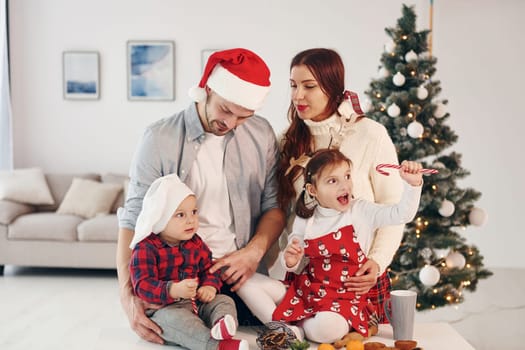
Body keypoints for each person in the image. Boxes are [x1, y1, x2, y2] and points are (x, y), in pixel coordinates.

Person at [117, 48, 286, 345]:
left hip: (242, 279)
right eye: (225, 110)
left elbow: (273, 208)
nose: (231, 123)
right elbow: (133, 219)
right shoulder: (159, 138)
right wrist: (128, 298)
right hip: (179, 285)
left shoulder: (261, 135)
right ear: (207, 89)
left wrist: (253, 252)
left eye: (243, 117)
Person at [239, 149, 424, 344]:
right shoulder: (306, 218)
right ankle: (287, 329)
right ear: (313, 190)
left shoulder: (361, 210)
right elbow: (294, 258)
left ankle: (293, 328)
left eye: (347, 176)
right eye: (333, 181)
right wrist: (291, 259)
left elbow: (401, 214)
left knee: (328, 330)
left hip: (343, 300)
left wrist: (413, 185)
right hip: (307, 291)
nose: (345, 186)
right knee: (245, 282)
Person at [277, 48, 404, 310]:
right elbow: (283, 213)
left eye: (309, 86)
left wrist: (378, 261)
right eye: (293, 85)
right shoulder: (287, 141)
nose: (298, 95)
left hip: (358, 279)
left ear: (332, 87)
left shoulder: (370, 134)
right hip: (304, 279)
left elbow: (392, 203)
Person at [129, 174, 248, 349]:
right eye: (180, 215)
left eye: (194, 212)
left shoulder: (195, 242)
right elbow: (143, 285)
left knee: (224, 301)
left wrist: (209, 286)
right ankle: (216, 345)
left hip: (196, 302)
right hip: (164, 309)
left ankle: (221, 324)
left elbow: (209, 268)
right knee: (178, 322)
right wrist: (173, 290)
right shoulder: (146, 248)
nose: (191, 219)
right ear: (161, 218)